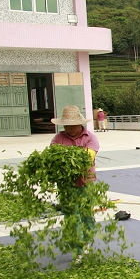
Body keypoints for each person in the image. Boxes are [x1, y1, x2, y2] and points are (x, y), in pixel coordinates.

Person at [50, 105, 100, 258]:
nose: (69, 129)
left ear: (80, 124)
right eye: (66, 126)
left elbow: (87, 157)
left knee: (86, 214)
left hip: (86, 183)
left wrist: (68, 159)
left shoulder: (90, 138)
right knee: (72, 216)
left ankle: (87, 241)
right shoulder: (58, 139)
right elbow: (52, 157)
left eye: (72, 126)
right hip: (66, 185)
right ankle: (77, 248)